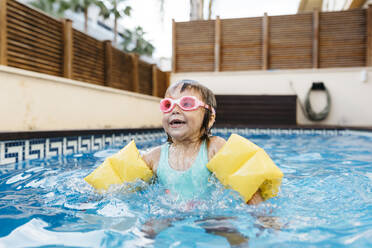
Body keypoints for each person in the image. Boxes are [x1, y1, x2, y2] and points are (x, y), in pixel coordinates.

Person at [142, 79, 263, 204]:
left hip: (209, 219)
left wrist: (265, 220)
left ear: (210, 119)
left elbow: (248, 188)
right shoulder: (154, 157)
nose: (175, 110)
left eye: (187, 104)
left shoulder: (214, 148)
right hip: (169, 217)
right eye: (168, 105)